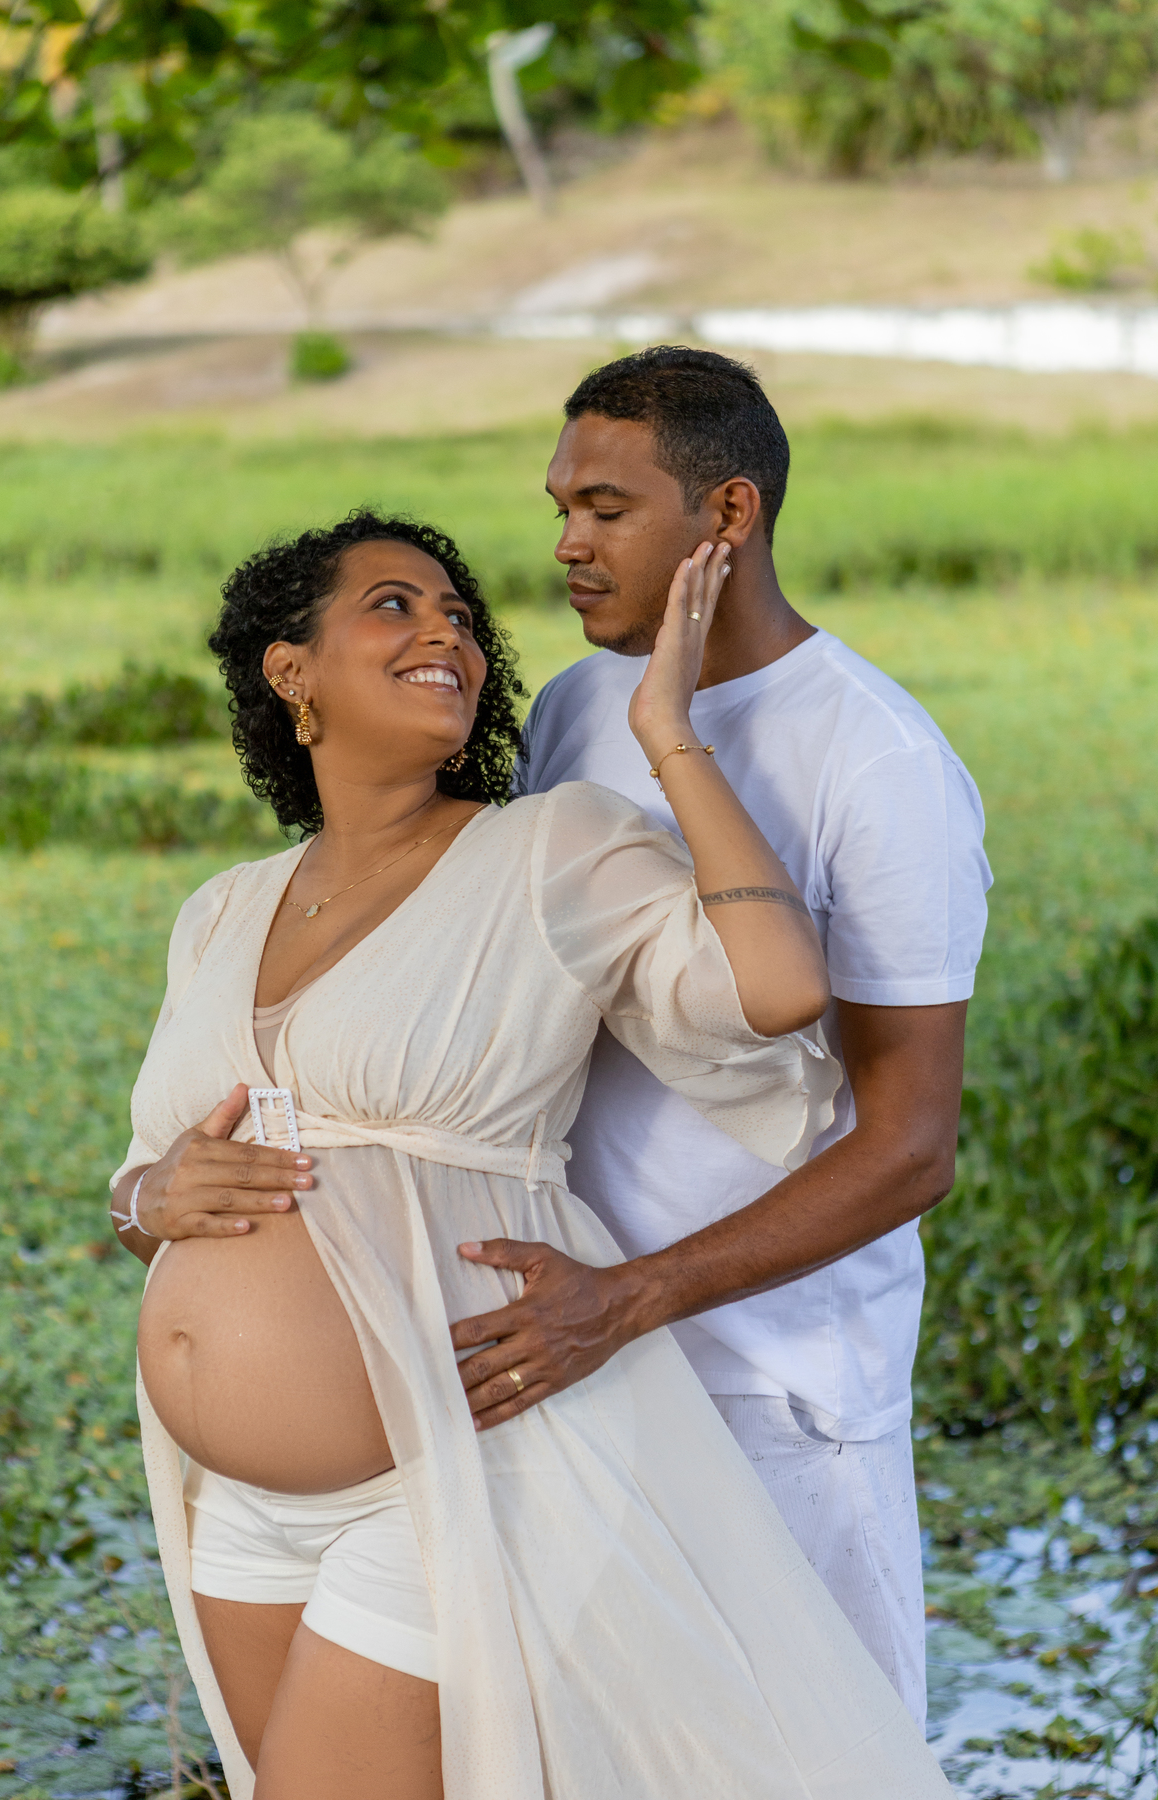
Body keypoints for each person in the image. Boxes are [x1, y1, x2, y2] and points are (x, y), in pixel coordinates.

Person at [109, 509, 953, 1799]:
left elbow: (777, 990)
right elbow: (143, 1187)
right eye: (393, 605)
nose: (445, 628)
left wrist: (666, 734)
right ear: (291, 673)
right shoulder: (218, 910)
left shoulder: (548, 852)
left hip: (440, 1474)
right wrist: (149, 1193)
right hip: (235, 1508)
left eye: (458, 614)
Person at [449, 346, 993, 1732]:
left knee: (819, 1760)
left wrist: (630, 1298)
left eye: (606, 508)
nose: (566, 545)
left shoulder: (879, 764)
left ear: (727, 516)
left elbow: (911, 1147)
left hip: (780, 1391)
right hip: (573, 1371)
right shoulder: (574, 713)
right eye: (559, 506)